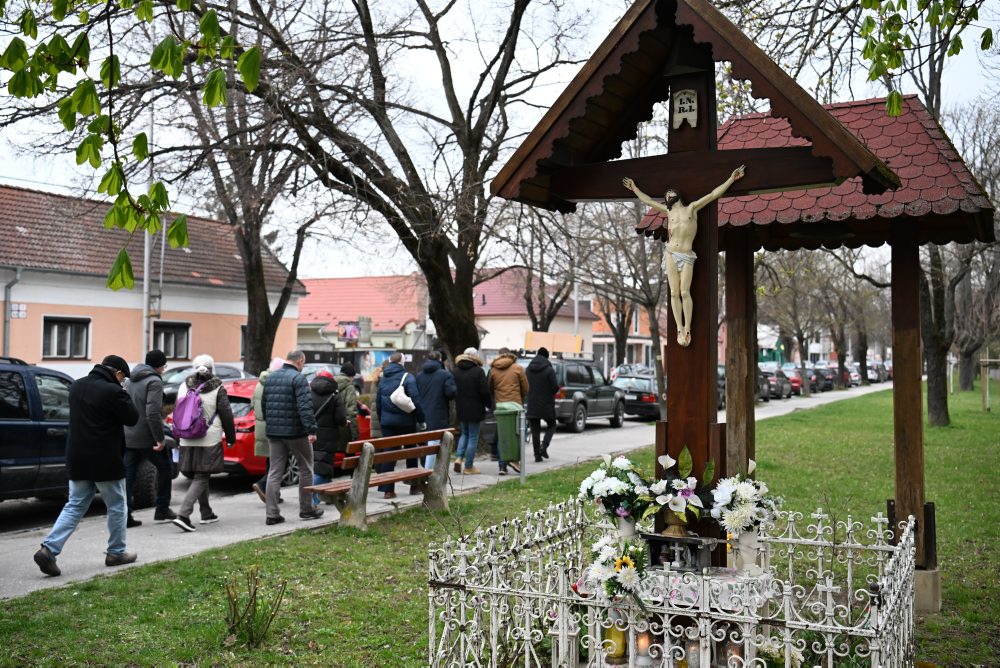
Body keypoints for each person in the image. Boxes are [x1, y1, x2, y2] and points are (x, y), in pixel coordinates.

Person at [33, 355, 139, 576]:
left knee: (75, 505)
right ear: (118, 373)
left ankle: (49, 549)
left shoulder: (77, 386)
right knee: (117, 506)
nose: (122, 382)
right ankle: (116, 552)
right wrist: (124, 392)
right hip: (105, 459)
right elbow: (132, 418)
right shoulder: (113, 391)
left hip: (77, 456)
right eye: (123, 378)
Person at [623, 165, 745, 347]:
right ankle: (679, 328)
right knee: (674, 293)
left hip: (687, 254)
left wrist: (731, 179)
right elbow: (647, 200)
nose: (668, 196)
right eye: (666, 195)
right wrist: (634, 188)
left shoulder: (691, 209)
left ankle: (687, 327)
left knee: (684, 292)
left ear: (678, 195)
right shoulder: (668, 211)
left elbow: (713, 195)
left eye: (670, 193)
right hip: (671, 252)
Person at [172, 354, 236, 532]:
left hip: (186, 436)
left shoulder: (183, 386)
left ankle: (206, 513)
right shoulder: (217, 387)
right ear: (211, 368)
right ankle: (183, 515)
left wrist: (178, 438)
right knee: (202, 476)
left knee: (198, 475)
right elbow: (226, 414)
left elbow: (178, 412)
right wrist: (231, 438)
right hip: (208, 438)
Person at [262, 350, 323, 525]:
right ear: (300, 361)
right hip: (296, 433)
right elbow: (305, 407)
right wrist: (311, 430)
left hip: (274, 432)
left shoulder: (271, 377)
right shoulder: (298, 378)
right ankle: (306, 509)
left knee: (274, 472)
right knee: (306, 469)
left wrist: (271, 424)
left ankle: (272, 514)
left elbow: (264, 405)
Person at [123, 349, 176, 525]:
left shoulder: (130, 380)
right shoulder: (154, 381)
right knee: (165, 468)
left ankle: (125, 515)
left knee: (128, 476)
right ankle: (162, 509)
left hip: (129, 435)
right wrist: (159, 438)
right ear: (159, 366)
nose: (164, 369)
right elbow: (153, 413)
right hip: (146, 436)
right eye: (164, 366)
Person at [374, 351, 426, 498]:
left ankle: (388, 490)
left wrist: (382, 419)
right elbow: (415, 400)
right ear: (402, 362)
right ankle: (414, 486)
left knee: (389, 454)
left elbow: (378, 402)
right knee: (411, 453)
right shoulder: (408, 377)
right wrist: (421, 419)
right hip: (406, 422)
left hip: (387, 423)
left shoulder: (383, 378)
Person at [487, 347, 528, 475]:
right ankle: (515, 460)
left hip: (500, 406)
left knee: (502, 435)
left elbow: (490, 388)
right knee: (518, 433)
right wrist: (520, 398)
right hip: (515, 405)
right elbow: (525, 388)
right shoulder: (518, 368)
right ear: (510, 355)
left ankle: (502, 466)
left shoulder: (493, 369)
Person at [251, 357, 285, 504]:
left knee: (270, 461)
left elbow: (252, 404)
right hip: (273, 427)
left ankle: (274, 494)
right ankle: (262, 484)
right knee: (277, 463)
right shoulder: (275, 383)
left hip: (260, 427)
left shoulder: (259, 384)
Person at [452, 347, 491, 475]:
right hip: (475, 408)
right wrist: (489, 405)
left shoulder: (456, 371)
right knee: (473, 436)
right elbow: (484, 391)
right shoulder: (478, 372)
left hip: (461, 408)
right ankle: (469, 466)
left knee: (464, 433)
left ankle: (459, 458)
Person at [310, 368, 347, 505]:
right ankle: (312, 499)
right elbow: (341, 418)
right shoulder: (335, 396)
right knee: (324, 466)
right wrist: (345, 423)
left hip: (312, 434)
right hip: (329, 436)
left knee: (319, 465)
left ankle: (328, 495)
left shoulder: (309, 393)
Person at [415, 350, 456, 469]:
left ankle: (426, 468)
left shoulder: (419, 375)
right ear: (440, 360)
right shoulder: (445, 375)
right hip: (438, 413)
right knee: (434, 442)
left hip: (421, 415)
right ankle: (428, 471)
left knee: (425, 442)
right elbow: (451, 393)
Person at [525, 347, 559, 463]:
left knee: (535, 430)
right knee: (552, 424)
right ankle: (544, 446)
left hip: (532, 403)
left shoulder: (528, 369)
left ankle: (537, 455)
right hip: (546, 404)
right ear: (546, 357)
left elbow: (525, 386)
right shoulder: (549, 370)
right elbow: (555, 387)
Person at [333, 362, 360, 454]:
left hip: (331, 427)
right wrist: (354, 433)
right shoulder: (350, 387)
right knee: (349, 454)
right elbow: (351, 411)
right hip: (344, 427)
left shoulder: (331, 384)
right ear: (351, 376)